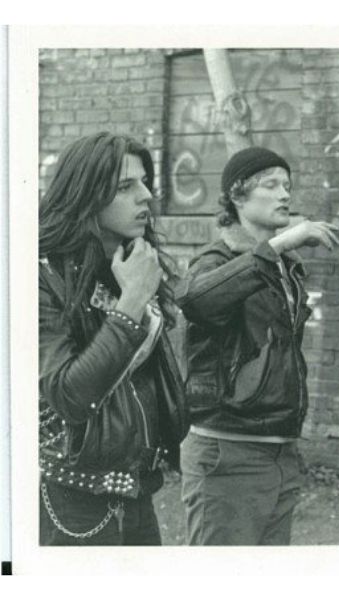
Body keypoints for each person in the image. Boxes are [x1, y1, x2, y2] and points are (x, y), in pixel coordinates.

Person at [178, 146, 339, 545]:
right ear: (237, 195)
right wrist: (278, 246)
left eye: (287, 185)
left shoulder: (283, 267)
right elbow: (196, 301)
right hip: (227, 452)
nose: (285, 194)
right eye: (271, 185)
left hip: (280, 452)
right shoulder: (214, 261)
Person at [38, 132, 188, 546]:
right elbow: (69, 396)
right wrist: (133, 301)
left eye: (144, 183)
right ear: (85, 195)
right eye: (125, 187)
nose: (146, 197)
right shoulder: (41, 279)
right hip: (68, 497)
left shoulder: (128, 263)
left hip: (136, 491)